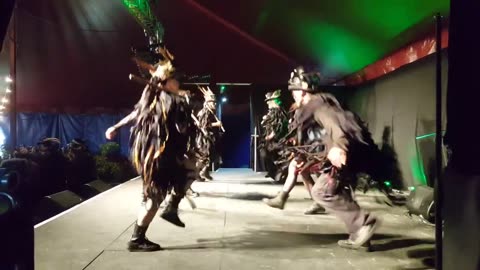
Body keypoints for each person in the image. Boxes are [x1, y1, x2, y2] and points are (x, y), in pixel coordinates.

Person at [271, 67, 380, 249]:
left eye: (295, 91)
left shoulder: (318, 106)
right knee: (338, 192)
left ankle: (364, 224)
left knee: (320, 192)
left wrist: (339, 148)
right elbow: (314, 136)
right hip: (334, 158)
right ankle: (360, 235)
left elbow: (335, 125)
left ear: (302, 91)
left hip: (339, 156)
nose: (293, 95)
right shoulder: (308, 108)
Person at [105, 46, 197, 251]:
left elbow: (136, 114)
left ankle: (169, 210)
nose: (178, 83)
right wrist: (184, 106)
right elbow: (182, 129)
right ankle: (138, 238)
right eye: (175, 80)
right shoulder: (168, 100)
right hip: (159, 156)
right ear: (166, 82)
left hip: (161, 155)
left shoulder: (154, 99)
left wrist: (114, 126)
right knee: (155, 198)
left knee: (188, 171)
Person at [194, 86, 223, 181]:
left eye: (215, 102)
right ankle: (197, 174)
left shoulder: (211, 112)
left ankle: (205, 172)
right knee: (204, 156)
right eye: (213, 102)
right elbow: (203, 125)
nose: (214, 104)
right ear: (208, 103)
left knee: (210, 155)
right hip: (204, 138)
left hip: (210, 137)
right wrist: (216, 124)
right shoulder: (205, 112)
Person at [259, 90, 288, 179]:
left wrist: (272, 135)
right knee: (265, 153)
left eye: (269, 101)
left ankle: (279, 172)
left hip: (278, 139)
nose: (268, 103)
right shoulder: (271, 112)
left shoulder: (279, 112)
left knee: (274, 154)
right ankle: (272, 171)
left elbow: (279, 125)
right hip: (270, 139)